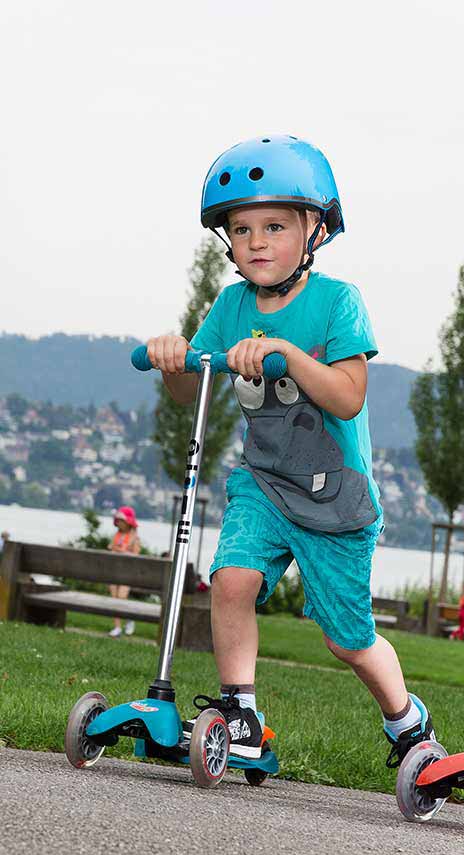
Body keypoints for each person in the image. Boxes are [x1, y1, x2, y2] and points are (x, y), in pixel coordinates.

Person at [145, 135, 434, 766]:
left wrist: (289, 355)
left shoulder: (337, 302)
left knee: (347, 640)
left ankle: (408, 722)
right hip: (264, 484)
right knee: (230, 581)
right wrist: (174, 361)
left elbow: (348, 396)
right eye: (241, 229)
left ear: (316, 231)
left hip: (336, 498)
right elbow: (188, 389)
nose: (256, 242)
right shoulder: (230, 306)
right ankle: (239, 713)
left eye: (275, 226)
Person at [108, 506, 140, 637]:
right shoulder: (116, 535)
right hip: (114, 571)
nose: (119, 523)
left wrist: (121, 550)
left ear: (128, 522)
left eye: (122, 520)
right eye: (118, 520)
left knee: (122, 598)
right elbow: (111, 549)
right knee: (114, 599)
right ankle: (117, 627)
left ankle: (129, 618)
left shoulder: (134, 537)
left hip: (127, 573)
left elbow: (136, 555)